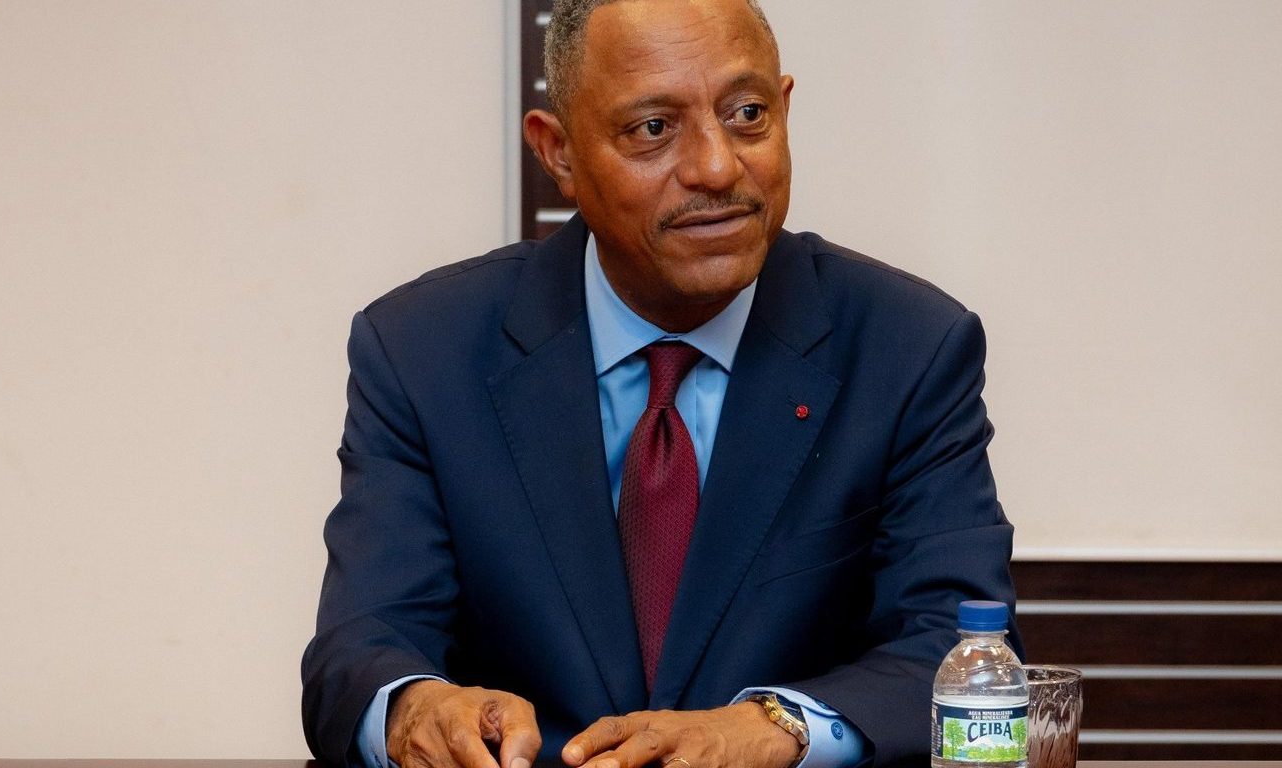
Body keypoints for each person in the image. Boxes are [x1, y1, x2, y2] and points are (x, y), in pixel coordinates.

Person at [301, 1, 1020, 767]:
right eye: (652, 128)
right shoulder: (423, 350)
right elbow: (364, 643)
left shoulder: (907, 347)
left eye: (747, 115)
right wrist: (414, 706)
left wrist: (778, 727)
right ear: (558, 153)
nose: (716, 167)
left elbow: (958, 646)